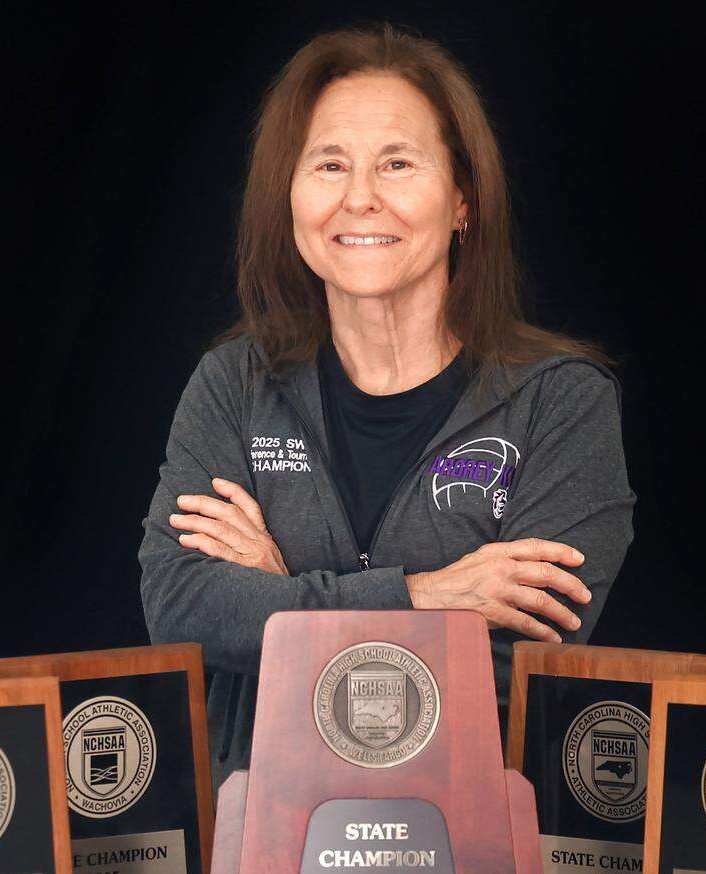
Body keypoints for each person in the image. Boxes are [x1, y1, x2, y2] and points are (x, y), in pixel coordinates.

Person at [139, 23, 635, 791]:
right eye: (329, 163)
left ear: (463, 199)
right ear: (291, 196)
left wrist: (280, 603)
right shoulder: (233, 384)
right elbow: (181, 608)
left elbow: (521, 663)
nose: (359, 196)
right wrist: (428, 595)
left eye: (398, 164)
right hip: (266, 853)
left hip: (477, 860)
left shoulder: (560, 401)